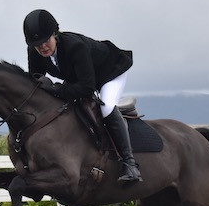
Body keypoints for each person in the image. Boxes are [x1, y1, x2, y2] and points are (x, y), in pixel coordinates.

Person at [23, 9, 142, 182]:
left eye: (45, 41)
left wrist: (56, 89)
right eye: (37, 44)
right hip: (81, 78)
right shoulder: (35, 51)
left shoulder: (74, 47)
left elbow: (86, 87)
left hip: (110, 72)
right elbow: (36, 80)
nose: (42, 47)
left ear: (55, 34)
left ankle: (130, 164)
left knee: (106, 107)